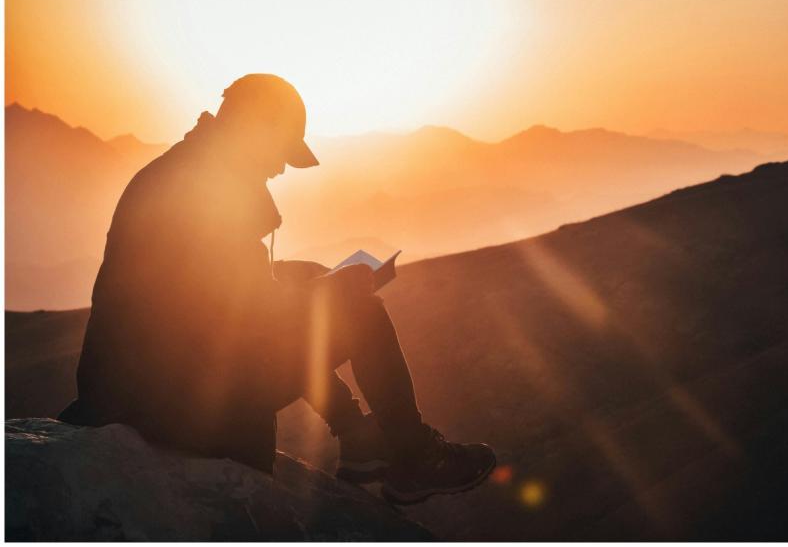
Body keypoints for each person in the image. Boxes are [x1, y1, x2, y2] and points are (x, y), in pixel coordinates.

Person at [58, 73, 495, 505]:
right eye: (282, 150)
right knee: (361, 312)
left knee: (304, 278)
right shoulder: (209, 191)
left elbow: (219, 296)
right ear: (255, 129)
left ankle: (359, 438)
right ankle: (412, 458)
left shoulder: (187, 169)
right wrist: (331, 292)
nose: (282, 166)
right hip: (169, 405)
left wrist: (315, 286)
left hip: (137, 386)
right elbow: (246, 316)